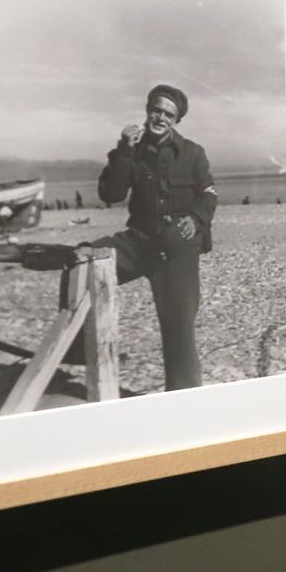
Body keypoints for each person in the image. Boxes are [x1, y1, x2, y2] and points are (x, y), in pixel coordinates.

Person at [91, 83, 216, 391]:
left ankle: (183, 398)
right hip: (138, 243)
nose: (160, 118)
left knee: (179, 330)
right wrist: (124, 151)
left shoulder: (193, 153)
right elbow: (112, 193)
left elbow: (209, 196)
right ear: (147, 111)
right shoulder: (129, 150)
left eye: (168, 114)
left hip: (177, 249)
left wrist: (196, 220)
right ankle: (77, 347)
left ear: (177, 120)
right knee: (84, 263)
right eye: (156, 110)